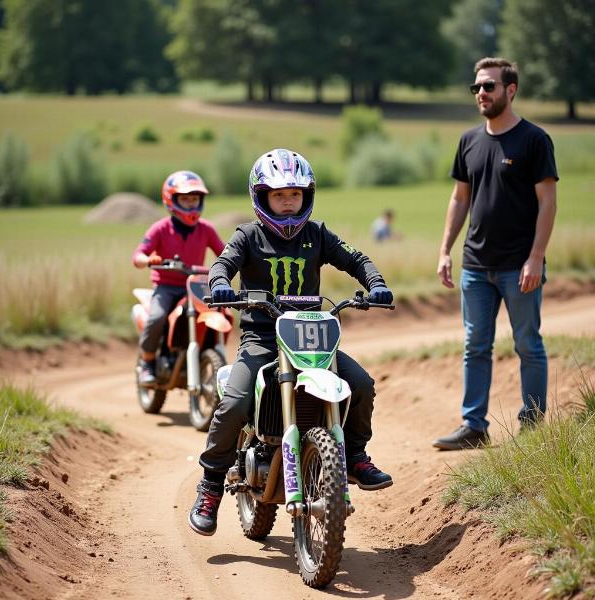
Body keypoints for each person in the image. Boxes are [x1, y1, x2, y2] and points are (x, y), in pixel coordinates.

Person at [188, 148, 394, 536]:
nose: (288, 202)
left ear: (307, 196)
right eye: (279, 195)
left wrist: (376, 284)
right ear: (261, 197)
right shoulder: (247, 235)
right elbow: (222, 264)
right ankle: (211, 485)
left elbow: (357, 259)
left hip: (313, 336)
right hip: (262, 337)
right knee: (233, 403)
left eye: (295, 194)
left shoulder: (318, 234)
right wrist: (219, 283)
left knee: (361, 384)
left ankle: (353, 454)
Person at [433, 57, 558, 450]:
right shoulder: (469, 141)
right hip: (475, 266)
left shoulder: (534, 140)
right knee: (475, 346)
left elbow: (548, 202)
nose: (481, 94)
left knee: (527, 344)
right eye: (477, 88)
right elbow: (459, 198)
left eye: (489, 86)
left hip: (519, 266)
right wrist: (445, 250)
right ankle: (474, 426)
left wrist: (536, 257)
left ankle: (533, 426)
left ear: (511, 90)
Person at [132, 170, 225, 385]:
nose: (191, 204)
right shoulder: (160, 228)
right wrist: (147, 260)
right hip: (166, 286)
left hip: (195, 287)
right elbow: (138, 255)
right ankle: (147, 362)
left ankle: (207, 356)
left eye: (195, 199)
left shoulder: (207, 229)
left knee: (221, 309)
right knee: (157, 317)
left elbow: (225, 253)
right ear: (171, 200)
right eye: (185, 199)